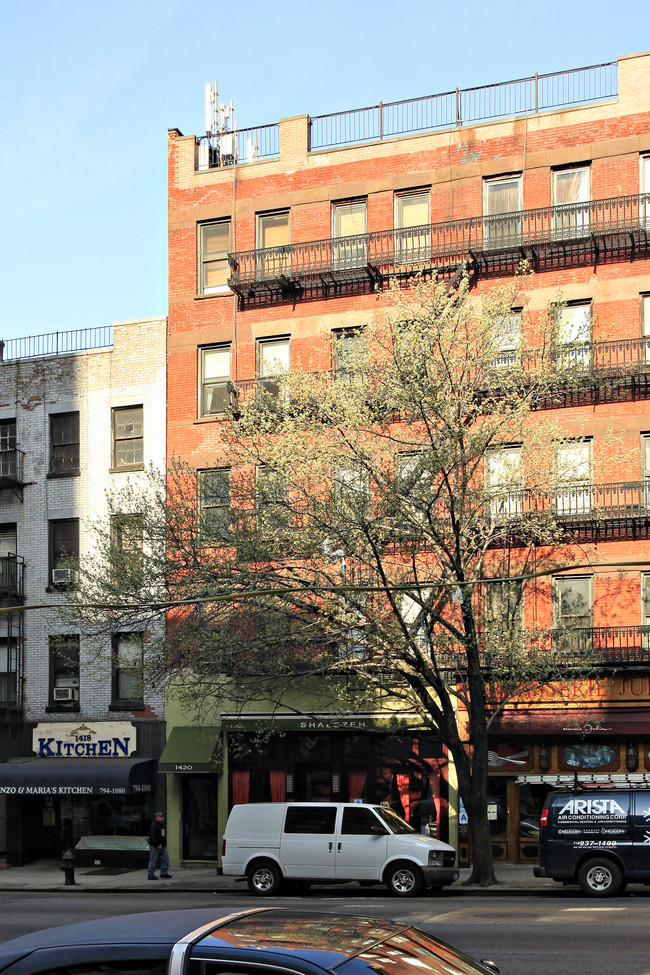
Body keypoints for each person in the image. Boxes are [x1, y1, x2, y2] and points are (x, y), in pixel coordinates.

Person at [147, 811, 172, 880]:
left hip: (162, 846)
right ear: (157, 817)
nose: (162, 818)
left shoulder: (161, 825)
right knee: (153, 860)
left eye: (163, 816)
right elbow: (153, 836)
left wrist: (163, 844)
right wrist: (157, 844)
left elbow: (162, 835)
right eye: (161, 817)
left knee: (165, 859)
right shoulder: (154, 825)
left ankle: (163, 873)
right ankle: (150, 874)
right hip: (155, 846)